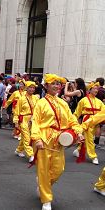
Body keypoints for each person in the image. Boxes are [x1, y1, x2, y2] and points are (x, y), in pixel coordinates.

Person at [31, 74, 84, 210]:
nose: (56, 86)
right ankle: (46, 199)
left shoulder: (63, 103)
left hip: (59, 140)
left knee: (58, 169)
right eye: (53, 83)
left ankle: (43, 185)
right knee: (43, 170)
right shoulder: (40, 103)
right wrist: (36, 139)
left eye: (58, 84)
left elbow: (72, 119)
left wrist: (78, 131)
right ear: (46, 86)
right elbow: (35, 122)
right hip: (44, 139)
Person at [73, 82, 104, 165]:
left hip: (96, 121)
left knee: (87, 138)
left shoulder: (99, 102)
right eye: (94, 88)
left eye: (97, 89)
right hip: (86, 121)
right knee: (90, 139)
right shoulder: (83, 100)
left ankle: (77, 150)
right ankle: (93, 156)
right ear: (89, 90)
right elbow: (77, 112)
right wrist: (73, 122)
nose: (96, 90)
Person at [13, 81, 39, 162]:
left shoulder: (36, 98)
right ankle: (31, 154)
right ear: (26, 88)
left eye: (33, 88)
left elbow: (38, 109)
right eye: (30, 87)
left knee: (26, 137)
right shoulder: (22, 98)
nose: (32, 89)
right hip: (24, 119)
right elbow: (17, 111)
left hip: (33, 120)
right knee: (27, 137)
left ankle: (18, 150)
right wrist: (16, 122)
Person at [82, 109, 105, 196]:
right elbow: (96, 118)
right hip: (89, 121)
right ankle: (100, 186)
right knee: (89, 141)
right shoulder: (84, 100)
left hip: (93, 123)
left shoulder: (99, 102)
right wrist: (80, 128)